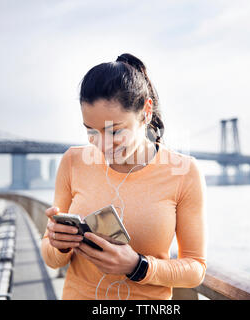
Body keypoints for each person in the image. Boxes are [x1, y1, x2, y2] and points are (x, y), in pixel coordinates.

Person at [41, 53, 207, 300]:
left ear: (146, 112)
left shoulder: (183, 172)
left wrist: (138, 266)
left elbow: (195, 270)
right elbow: (51, 259)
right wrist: (59, 243)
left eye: (114, 131)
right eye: (91, 131)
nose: (102, 145)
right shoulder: (72, 162)